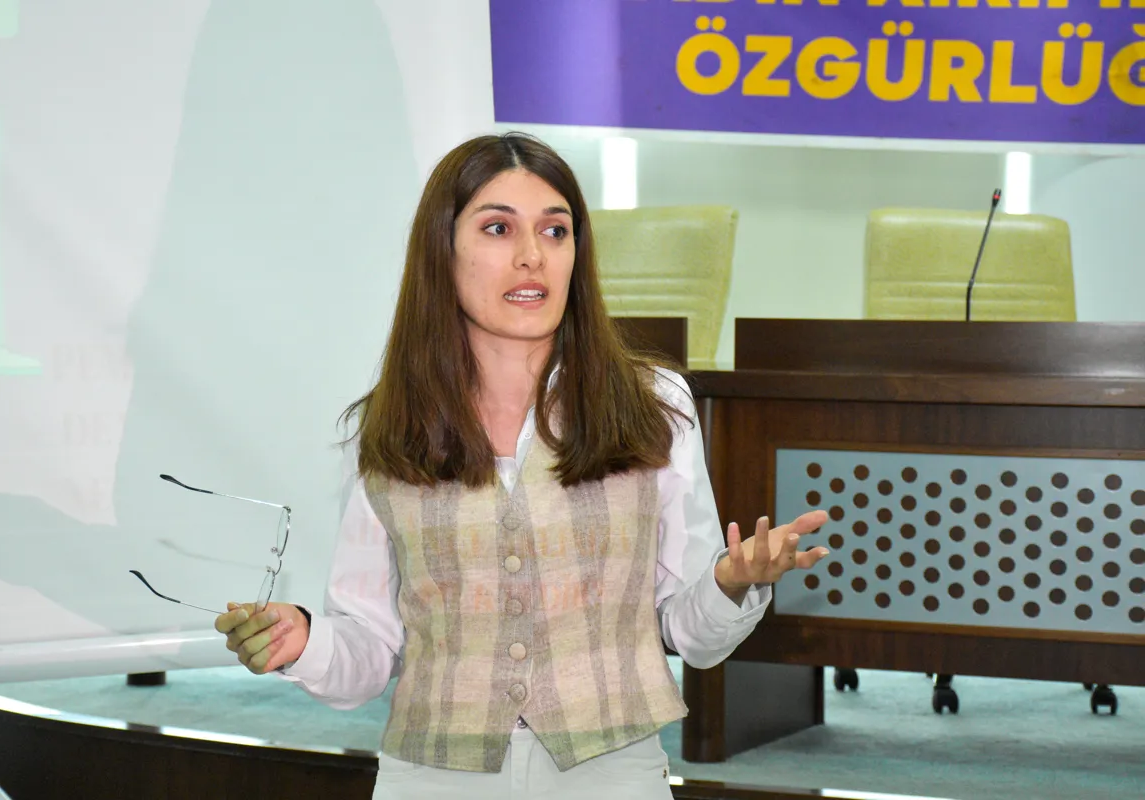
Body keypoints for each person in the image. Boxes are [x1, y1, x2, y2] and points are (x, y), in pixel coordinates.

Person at [214, 132, 829, 799]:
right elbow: (370, 650)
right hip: (432, 775)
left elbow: (690, 633)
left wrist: (732, 584)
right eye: (499, 228)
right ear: (442, 250)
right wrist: (303, 641)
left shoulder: (653, 405)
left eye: (555, 231)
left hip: (610, 771)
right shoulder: (387, 426)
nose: (533, 255)